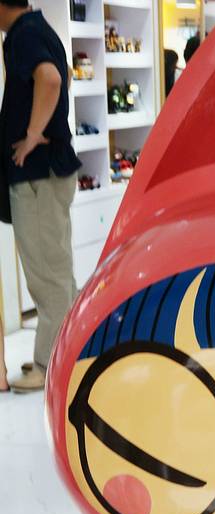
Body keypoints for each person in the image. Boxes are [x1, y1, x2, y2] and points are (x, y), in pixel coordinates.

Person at [0, 0, 80, 393]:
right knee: (57, 272)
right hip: (49, 172)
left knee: (47, 276)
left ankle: (50, 365)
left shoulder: (24, 35)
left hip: (37, 176)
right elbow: (62, 75)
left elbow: (51, 79)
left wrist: (32, 135)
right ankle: (68, 354)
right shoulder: (39, 29)